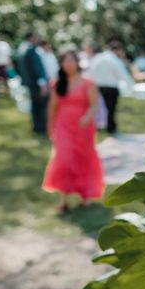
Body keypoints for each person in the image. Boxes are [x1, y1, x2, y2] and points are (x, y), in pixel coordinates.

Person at [42, 49, 104, 212]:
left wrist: (86, 117)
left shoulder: (88, 82)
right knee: (63, 158)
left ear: (77, 63)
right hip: (63, 125)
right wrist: (50, 127)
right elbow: (53, 107)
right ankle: (64, 198)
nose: (68, 64)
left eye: (71, 60)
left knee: (84, 158)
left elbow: (94, 105)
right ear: (61, 64)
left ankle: (86, 195)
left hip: (83, 127)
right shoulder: (58, 83)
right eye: (65, 61)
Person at [89, 41, 134, 134]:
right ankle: (111, 127)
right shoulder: (114, 60)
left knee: (103, 108)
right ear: (117, 50)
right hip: (111, 87)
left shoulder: (98, 58)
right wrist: (131, 87)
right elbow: (123, 74)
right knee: (111, 108)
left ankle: (104, 126)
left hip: (100, 87)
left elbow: (91, 71)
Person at [17, 32, 48, 133]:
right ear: (31, 38)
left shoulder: (22, 49)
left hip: (30, 83)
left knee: (35, 105)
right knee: (41, 105)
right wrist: (42, 83)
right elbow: (37, 68)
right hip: (36, 84)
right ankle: (41, 127)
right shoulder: (31, 50)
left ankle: (37, 126)